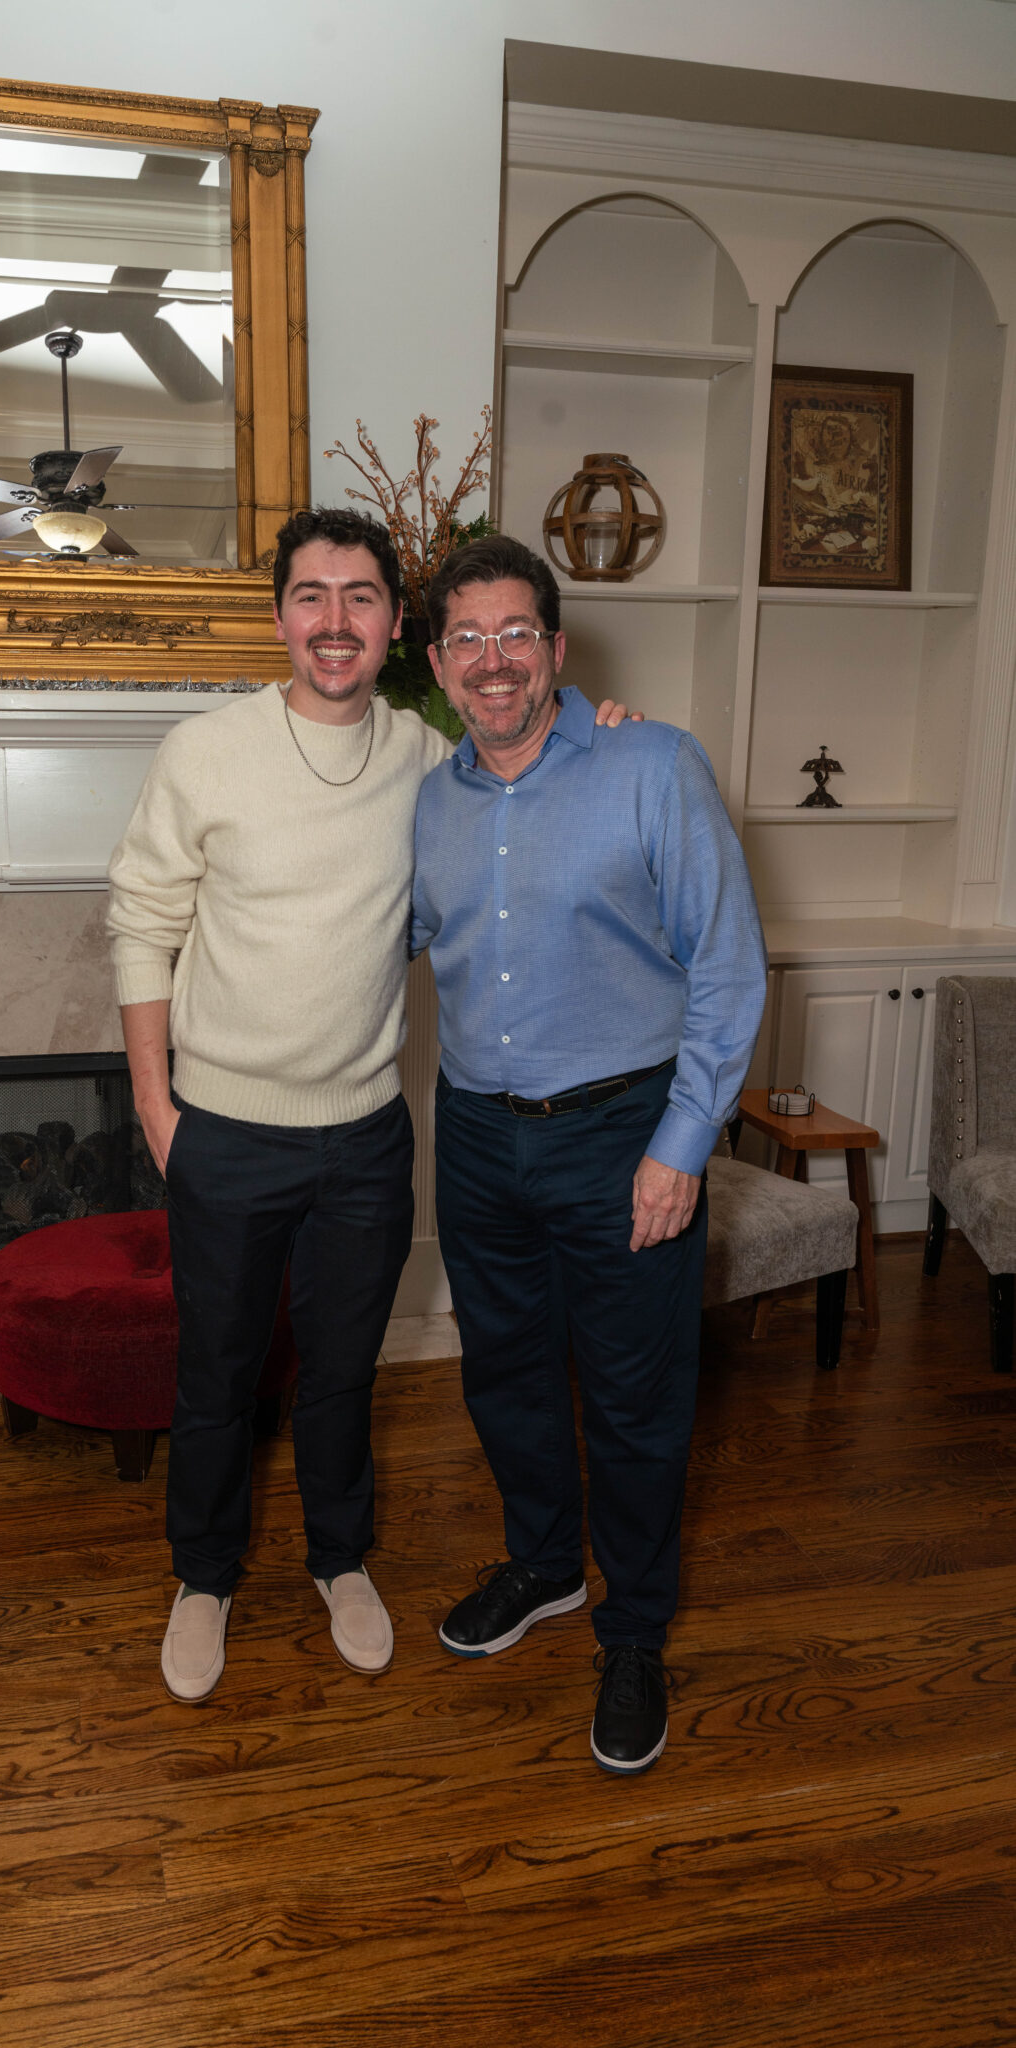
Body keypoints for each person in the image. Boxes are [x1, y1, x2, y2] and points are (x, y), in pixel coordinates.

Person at [107, 505, 633, 1703]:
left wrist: (606, 724)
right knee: (216, 1374)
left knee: (344, 1371)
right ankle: (204, 1576)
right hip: (222, 1126)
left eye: (360, 597)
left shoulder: (425, 760)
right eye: (311, 595)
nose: (334, 620)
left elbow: (534, 753)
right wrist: (155, 1105)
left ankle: (339, 1559)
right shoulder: (203, 751)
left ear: (398, 626)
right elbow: (140, 920)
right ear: (279, 618)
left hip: (362, 1136)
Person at [411, 533, 766, 1775]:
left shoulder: (652, 764)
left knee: (633, 1400)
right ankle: (545, 1565)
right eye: (468, 637)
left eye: (516, 632)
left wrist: (683, 1144)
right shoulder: (430, 801)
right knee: (504, 1376)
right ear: (438, 664)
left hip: (625, 1132)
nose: (493, 658)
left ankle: (634, 1629)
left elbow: (727, 968)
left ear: (557, 649)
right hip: (475, 1132)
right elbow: (389, 936)